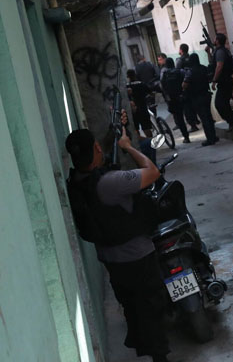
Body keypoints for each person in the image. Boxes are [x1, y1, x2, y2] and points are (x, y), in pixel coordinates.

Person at [65, 112, 170, 362]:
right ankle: (159, 356)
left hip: (111, 259)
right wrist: (128, 147)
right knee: (152, 309)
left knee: (134, 307)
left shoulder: (77, 182)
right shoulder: (110, 183)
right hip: (138, 256)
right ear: (96, 149)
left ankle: (146, 345)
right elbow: (152, 171)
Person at [183, 53, 218, 146]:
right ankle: (214, 136)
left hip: (196, 97)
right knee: (209, 116)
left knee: (204, 118)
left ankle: (210, 139)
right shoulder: (203, 68)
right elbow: (209, 78)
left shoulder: (190, 71)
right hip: (206, 94)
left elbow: (185, 84)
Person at [211, 33, 233, 130]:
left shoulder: (220, 52)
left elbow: (219, 66)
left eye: (215, 39)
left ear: (218, 41)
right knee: (226, 104)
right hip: (226, 81)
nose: (214, 40)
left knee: (219, 104)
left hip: (224, 81)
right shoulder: (224, 51)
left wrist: (214, 80)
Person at [160, 58, 190, 143]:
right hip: (182, 96)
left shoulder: (165, 74)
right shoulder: (180, 71)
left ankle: (186, 137)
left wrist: (167, 97)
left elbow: (163, 87)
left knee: (179, 119)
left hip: (172, 99)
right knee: (188, 113)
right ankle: (192, 124)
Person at [175, 43, 200, 130]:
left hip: (185, 85)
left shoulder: (180, 60)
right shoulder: (191, 58)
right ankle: (196, 120)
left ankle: (193, 125)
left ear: (181, 50)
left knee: (187, 107)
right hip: (195, 84)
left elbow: (177, 72)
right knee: (194, 103)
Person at [126, 69, 153, 138]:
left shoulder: (127, 86)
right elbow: (150, 92)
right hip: (143, 108)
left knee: (136, 129)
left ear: (127, 76)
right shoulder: (141, 84)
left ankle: (140, 143)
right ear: (135, 75)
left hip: (133, 111)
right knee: (146, 128)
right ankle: (152, 143)